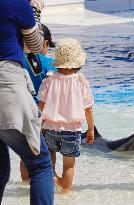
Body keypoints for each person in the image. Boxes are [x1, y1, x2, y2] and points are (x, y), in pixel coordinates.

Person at [0, 0, 54, 204]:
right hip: (6, 84)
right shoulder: (17, 4)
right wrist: (35, 13)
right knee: (39, 164)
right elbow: (37, 46)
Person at [37, 38, 95, 193]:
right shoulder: (81, 82)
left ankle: (54, 179)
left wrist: (36, 124)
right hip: (72, 130)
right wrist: (90, 129)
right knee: (69, 165)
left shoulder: (49, 80)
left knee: (49, 161)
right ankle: (66, 193)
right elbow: (88, 109)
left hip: (49, 127)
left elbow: (41, 105)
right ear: (78, 61)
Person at [20, 24, 57, 183]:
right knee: (49, 150)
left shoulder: (17, 61)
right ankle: (49, 178)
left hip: (23, 113)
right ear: (46, 44)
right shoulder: (49, 63)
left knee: (26, 153)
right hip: (46, 115)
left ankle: (25, 183)